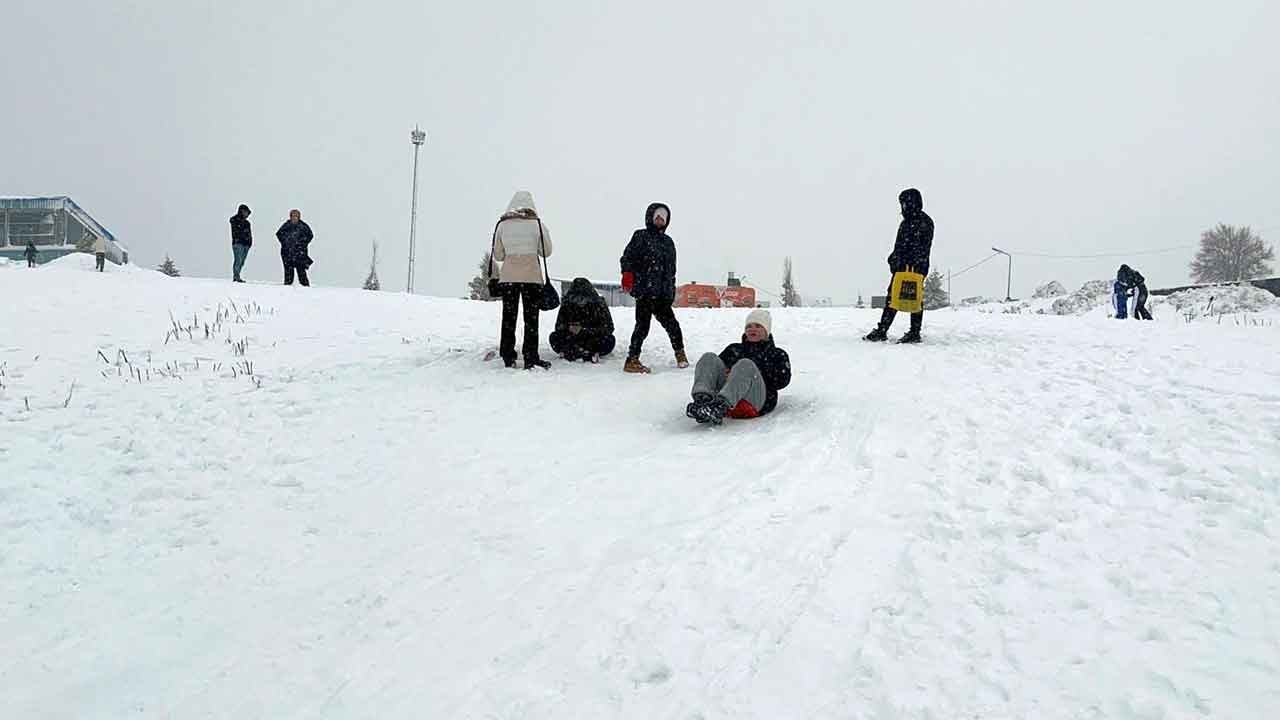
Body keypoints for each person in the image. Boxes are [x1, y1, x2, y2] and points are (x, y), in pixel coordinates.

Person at [686, 309, 791, 425]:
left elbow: (783, 381)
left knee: (745, 364)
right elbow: (715, 371)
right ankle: (703, 401)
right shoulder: (734, 349)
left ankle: (720, 406)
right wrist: (729, 373)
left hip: (753, 401)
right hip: (723, 398)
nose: (752, 329)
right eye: (749, 326)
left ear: (767, 331)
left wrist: (752, 373)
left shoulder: (777, 354)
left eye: (758, 326)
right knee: (709, 357)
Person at [620, 202, 687, 373]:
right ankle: (632, 360)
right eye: (657, 216)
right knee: (642, 326)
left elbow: (671, 271)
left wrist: (670, 292)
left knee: (673, 325)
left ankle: (680, 354)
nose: (660, 220)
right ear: (650, 217)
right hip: (645, 291)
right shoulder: (640, 236)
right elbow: (627, 258)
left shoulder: (668, 242)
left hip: (662, 295)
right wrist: (627, 274)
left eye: (663, 218)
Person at [864, 188, 935, 344]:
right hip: (912, 267)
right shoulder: (917, 221)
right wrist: (894, 258)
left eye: (904, 203)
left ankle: (890, 331)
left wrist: (898, 260)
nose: (902, 207)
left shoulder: (919, 222)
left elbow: (912, 247)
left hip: (910, 268)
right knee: (907, 297)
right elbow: (903, 246)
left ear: (911, 203)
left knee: (898, 297)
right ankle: (909, 332)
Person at [492, 191, 553, 369]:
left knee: (509, 318)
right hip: (532, 278)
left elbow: (498, 255)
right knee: (531, 319)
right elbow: (546, 252)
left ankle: (508, 355)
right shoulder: (537, 224)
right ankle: (530, 357)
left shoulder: (502, 225)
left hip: (509, 277)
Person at [550, 277, 616, 362]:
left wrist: (585, 330)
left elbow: (608, 327)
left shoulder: (599, 304)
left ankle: (579, 352)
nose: (580, 302)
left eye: (583, 298)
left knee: (609, 340)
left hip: (592, 339)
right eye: (577, 299)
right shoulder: (567, 304)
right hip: (571, 338)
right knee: (554, 337)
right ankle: (580, 352)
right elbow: (558, 326)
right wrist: (569, 328)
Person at [276, 209, 314, 286]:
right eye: (293, 216)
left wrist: (301, 243)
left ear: (299, 217)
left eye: (296, 216)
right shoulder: (286, 225)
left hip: (300, 253)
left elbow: (310, 235)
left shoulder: (303, 226)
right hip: (287, 253)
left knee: (301, 271)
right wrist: (286, 242)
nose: (294, 217)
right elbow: (279, 234)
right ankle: (287, 287)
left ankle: (306, 288)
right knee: (288, 272)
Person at [230, 204, 252, 283]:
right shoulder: (234, 220)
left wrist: (249, 243)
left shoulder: (247, 223)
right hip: (238, 243)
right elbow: (236, 230)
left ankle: (237, 275)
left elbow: (249, 233)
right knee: (238, 260)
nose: (247, 214)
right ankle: (236, 276)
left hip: (246, 245)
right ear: (242, 211)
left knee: (242, 261)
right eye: (246, 212)